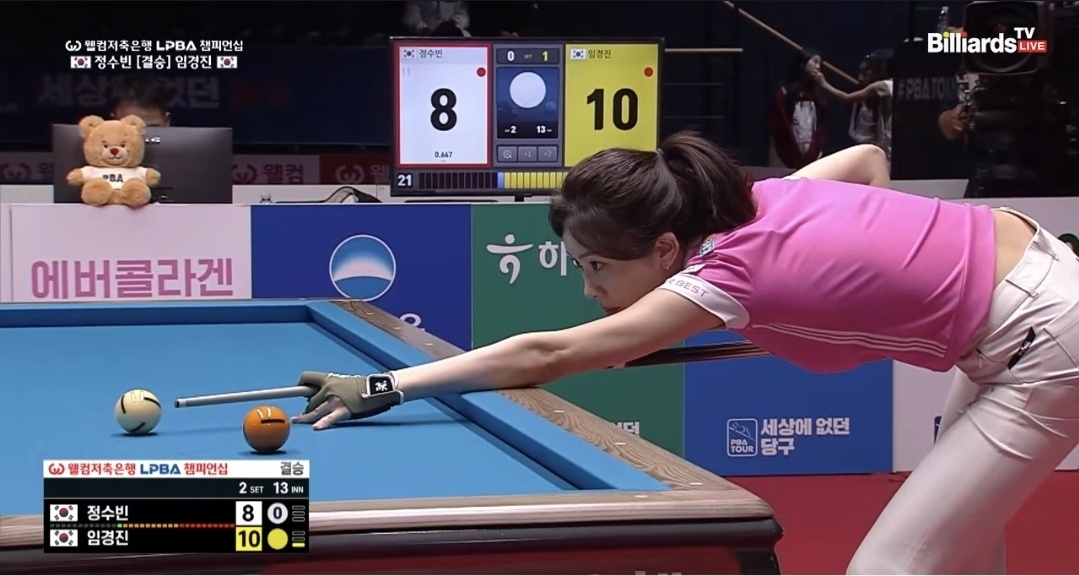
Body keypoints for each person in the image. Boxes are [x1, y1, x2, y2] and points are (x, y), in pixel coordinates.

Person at [293, 132, 1079, 574]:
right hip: (1035, 283)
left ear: (666, 247)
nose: (589, 289)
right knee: (960, 545)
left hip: (1042, 341)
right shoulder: (754, 200)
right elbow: (868, 158)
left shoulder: (722, 277)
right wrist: (890, 267)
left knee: (890, 567)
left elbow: (547, 353)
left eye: (598, 267)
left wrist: (388, 384)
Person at [816, 49, 893, 161]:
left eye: (873, 67)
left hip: (880, 147)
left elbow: (845, 98)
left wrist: (823, 83)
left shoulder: (882, 86)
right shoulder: (894, 84)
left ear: (883, 67)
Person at [767, 49, 827, 169]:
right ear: (802, 63)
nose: (818, 67)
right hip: (786, 154)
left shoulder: (818, 95)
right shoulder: (784, 93)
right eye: (815, 62)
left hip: (810, 153)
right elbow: (780, 125)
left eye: (820, 64)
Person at [402, 0, 470, 37]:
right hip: (423, 36)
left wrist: (453, 23)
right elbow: (411, 17)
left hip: (451, 33)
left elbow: (463, 15)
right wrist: (423, 29)